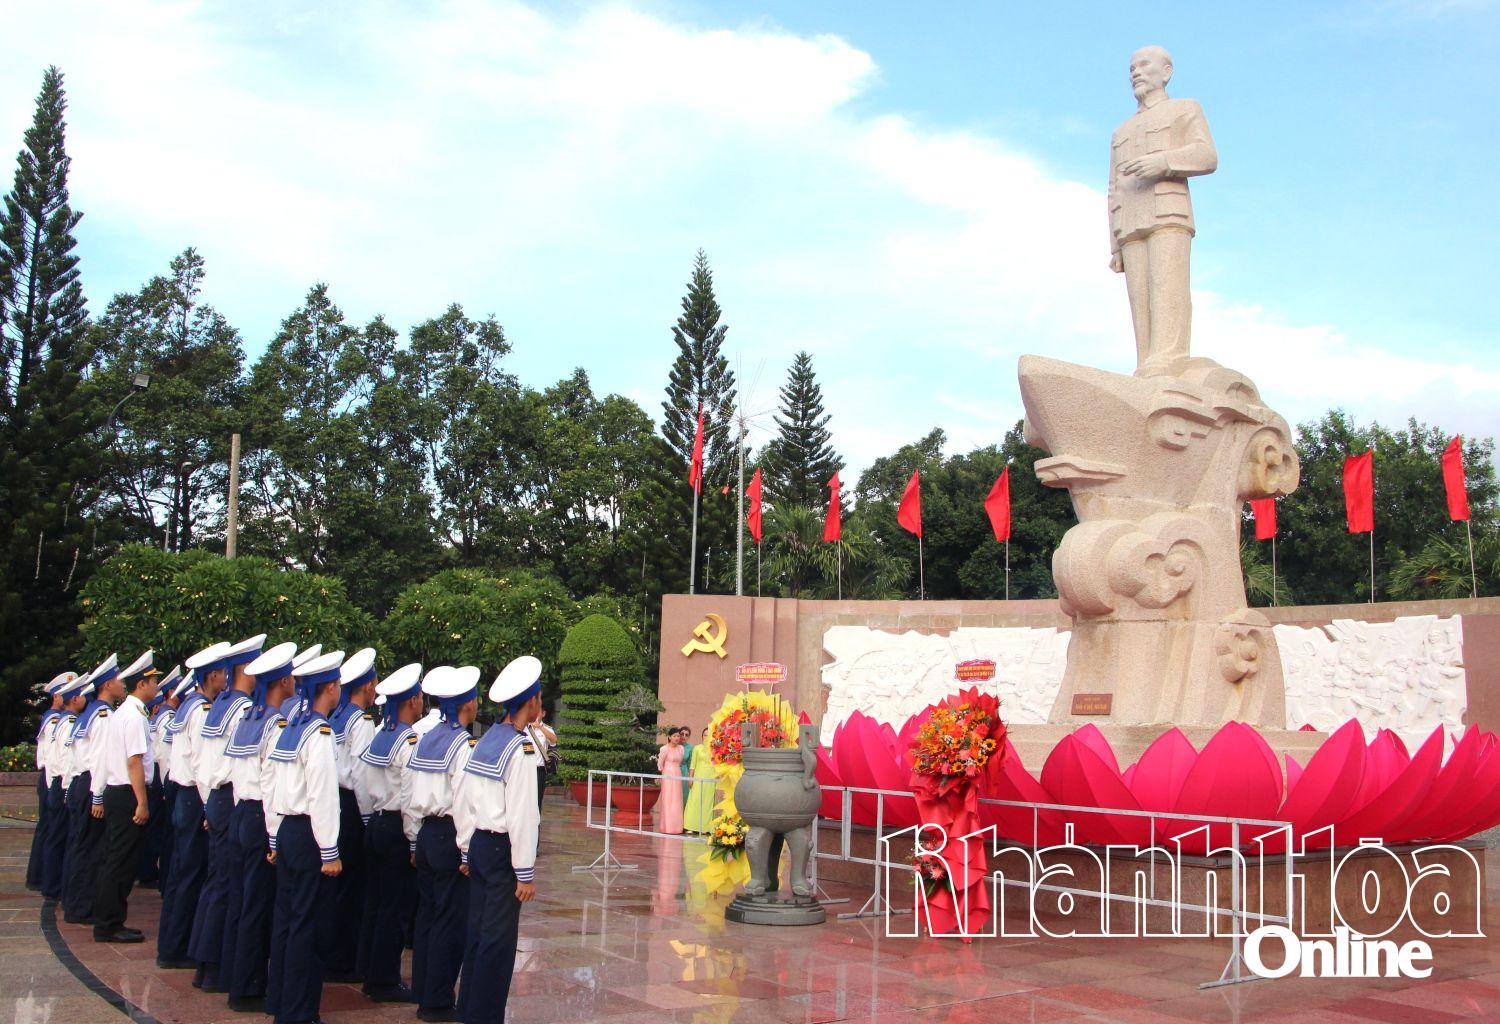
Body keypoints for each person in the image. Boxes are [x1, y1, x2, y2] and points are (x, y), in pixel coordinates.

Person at [1107, 45, 1217, 374]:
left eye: (1143, 65)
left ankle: (1169, 362)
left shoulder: (1185, 109)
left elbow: (1207, 156)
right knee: (1140, 300)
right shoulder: (1121, 131)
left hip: (1168, 212)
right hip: (1130, 223)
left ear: (1166, 72)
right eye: (1131, 68)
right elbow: (1112, 187)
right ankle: (1146, 366)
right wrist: (1115, 243)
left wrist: (1164, 161)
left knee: (1167, 289)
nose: (1135, 73)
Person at [456, 656, 543, 1024]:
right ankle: (484, 1016)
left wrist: (464, 848)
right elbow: (523, 815)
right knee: (498, 943)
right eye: (539, 697)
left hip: (478, 844)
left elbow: (464, 800)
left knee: (477, 934)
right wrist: (524, 872)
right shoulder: (521, 750)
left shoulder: (488, 739)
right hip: (502, 850)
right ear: (532, 701)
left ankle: (467, 1010)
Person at [264, 650, 345, 1024]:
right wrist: (330, 850)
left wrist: (273, 836)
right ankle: (298, 1011)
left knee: (286, 920)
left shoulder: (292, 727)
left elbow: (272, 784)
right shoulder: (320, 733)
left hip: (288, 828)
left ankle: (280, 1000)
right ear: (330, 688)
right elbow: (323, 795)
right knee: (305, 925)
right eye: (338, 684)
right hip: (310, 834)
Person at [223, 642, 299, 1012]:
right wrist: (274, 833)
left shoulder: (247, 718)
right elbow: (271, 782)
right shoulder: (275, 723)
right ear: (283, 681)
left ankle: (236, 977)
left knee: (241, 901)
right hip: (260, 817)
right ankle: (249, 987)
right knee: (257, 905)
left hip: (242, 811)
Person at [189, 633, 265, 993]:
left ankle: (205, 962)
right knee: (226, 886)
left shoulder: (222, 704)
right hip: (231, 798)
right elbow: (240, 767)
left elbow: (202, 764)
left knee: (217, 881)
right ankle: (214, 964)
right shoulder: (241, 708)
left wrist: (208, 803)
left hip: (216, 798)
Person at [408, 665, 480, 1023]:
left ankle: (422, 988)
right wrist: (467, 851)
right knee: (450, 921)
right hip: (450, 836)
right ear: (468, 704)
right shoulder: (463, 744)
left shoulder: (427, 737)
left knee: (428, 916)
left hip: (425, 833)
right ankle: (436, 1002)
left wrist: (412, 839)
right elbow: (465, 802)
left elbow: (410, 792)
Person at [157, 640, 230, 969]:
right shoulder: (201, 711)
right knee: (190, 873)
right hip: (193, 796)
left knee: (181, 871)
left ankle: (172, 943)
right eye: (222, 675)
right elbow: (203, 765)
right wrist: (208, 808)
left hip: (182, 794)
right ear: (212, 675)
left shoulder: (189, 705)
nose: (226, 680)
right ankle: (176, 947)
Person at [356, 662, 424, 1003]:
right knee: (395, 908)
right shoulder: (408, 740)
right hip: (397, 826)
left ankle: (369, 971)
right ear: (412, 701)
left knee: (376, 902)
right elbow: (410, 796)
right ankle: (384, 979)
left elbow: (364, 782)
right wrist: (413, 839)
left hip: (378, 821)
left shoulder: (383, 734)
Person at [92, 650, 160, 943]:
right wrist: (142, 801)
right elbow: (134, 762)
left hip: (119, 792)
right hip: (127, 794)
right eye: (154, 680)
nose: (157, 685)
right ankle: (108, 923)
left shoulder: (126, 713)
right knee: (121, 863)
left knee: (118, 861)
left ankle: (110, 920)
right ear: (141, 684)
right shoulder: (133, 717)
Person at [327, 647, 378, 983]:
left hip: (337, 802)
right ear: (366, 686)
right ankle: (342, 959)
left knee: (338, 887)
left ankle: (334, 953)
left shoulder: (337, 716)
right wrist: (367, 817)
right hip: (351, 805)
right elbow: (361, 774)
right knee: (351, 886)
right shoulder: (360, 720)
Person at [63, 655, 116, 924]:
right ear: (108, 684)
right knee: (91, 849)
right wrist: (97, 795)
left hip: (80, 782)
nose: (122, 684)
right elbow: (99, 759)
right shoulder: (104, 716)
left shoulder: (90, 713)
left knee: (82, 846)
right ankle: (81, 907)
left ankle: (75, 903)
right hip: (91, 783)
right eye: (118, 680)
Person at [26, 672, 72, 891]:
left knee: (47, 829)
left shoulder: (53, 717)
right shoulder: (54, 719)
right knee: (52, 831)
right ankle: (47, 880)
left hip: (49, 777)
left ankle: (39, 876)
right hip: (51, 777)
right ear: (56, 696)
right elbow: (55, 756)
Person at [41, 673, 85, 901]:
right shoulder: (66, 723)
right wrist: (66, 790)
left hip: (58, 783)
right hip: (62, 783)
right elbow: (66, 760)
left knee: (58, 837)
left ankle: (53, 884)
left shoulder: (65, 721)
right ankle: (52, 886)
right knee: (59, 838)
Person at [683, 727, 715, 835]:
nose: (707, 736)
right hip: (698, 776)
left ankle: (706, 827)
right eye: (705, 734)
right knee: (695, 800)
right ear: (702, 736)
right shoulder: (697, 748)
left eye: (709, 734)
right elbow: (692, 765)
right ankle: (690, 826)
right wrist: (691, 778)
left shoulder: (716, 749)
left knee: (708, 802)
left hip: (711, 778)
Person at [526, 706, 557, 813]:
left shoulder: (547, 729)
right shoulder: (524, 728)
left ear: (543, 714)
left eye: (537, 712)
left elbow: (554, 740)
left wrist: (540, 727)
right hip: (524, 769)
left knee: (537, 800)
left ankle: (536, 827)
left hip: (539, 770)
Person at [656, 728, 685, 835]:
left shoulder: (681, 748)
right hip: (668, 774)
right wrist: (664, 773)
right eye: (674, 736)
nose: (677, 738)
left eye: (678, 736)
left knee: (677, 800)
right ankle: (667, 827)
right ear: (669, 737)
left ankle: (677, 827)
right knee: (668, 799)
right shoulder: (664, 749)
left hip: (678, 773)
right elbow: (660, 764)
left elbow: (680, 761)